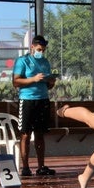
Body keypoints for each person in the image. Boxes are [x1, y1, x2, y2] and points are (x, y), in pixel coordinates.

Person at [13, 35, 57, 177]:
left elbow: (48, 85)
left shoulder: (45, 62)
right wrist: (33, 79)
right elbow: (16, 82)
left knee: (40, 134)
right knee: (25, 134)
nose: (41, 52)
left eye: (43, 50)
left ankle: (41, 166)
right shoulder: (23, 61)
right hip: (27, 101)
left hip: (42, 100)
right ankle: (25, 167)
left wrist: (50, 82)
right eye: (39, 49)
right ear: (32, 47)